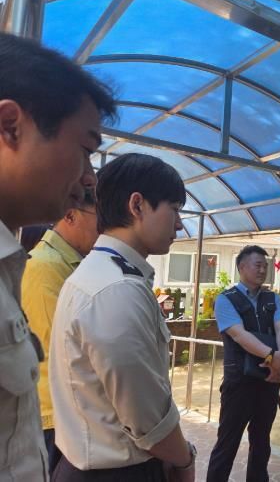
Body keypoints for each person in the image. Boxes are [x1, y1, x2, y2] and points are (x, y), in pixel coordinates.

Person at [0, 32, 114, 481]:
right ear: (10, 126)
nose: (89, 179)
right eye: (86, 150)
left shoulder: (12, 264)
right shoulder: (43, 267)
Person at [49, 153, 196, 482]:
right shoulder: (117, 289)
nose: (179, 223)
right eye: (174, 209)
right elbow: (147, 419)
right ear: (137, 205)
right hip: (118, 473)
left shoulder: (98, 273)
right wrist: (185, 461)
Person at [21, 188, 99, 475]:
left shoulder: (70, 264)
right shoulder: (46, 267)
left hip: (65, 412)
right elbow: (59, 349)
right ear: (70, 215)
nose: (105, 229)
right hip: (53, 415)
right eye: (100, 218)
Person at [207, 245, 280, 482]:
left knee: (261, 442)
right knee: (227, 443)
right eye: (258, 265)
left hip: (269, 381)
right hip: (239, 383)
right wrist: (272, 357)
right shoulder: (226, 300)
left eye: (265, 266)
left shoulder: (272, 298)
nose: (263, 270)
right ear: (242, 267)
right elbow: (239, 335)